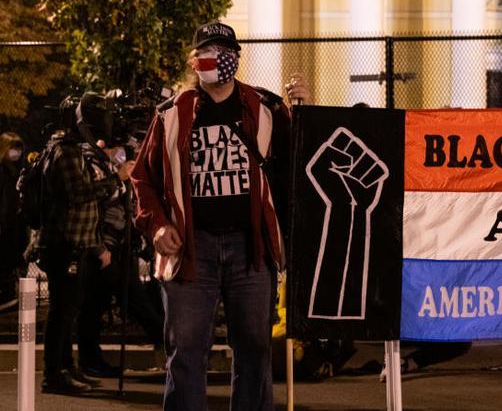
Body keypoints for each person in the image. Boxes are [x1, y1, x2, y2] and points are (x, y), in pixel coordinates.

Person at [131, 22, 310, 410]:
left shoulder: (265, 109)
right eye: (209, 51)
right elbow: (142, 179)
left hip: (252, 248)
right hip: (192, 252)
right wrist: (157, 225)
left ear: (236, 59)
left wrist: (305, 111)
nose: (218, 59)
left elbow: (303, 163)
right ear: (195, 61)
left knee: (255, 349)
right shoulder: (170, 115)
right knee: (187, 352)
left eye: (226, 51)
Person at [38, 94, 120, 394]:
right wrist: (116, 180)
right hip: (65, 243)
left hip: (75, 242)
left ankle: (66, 368)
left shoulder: (67, 149)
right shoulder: (66, 153)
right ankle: (54, 374)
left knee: (68, 309)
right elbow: (80, 193)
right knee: (62, 311)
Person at [76, 139, 164, 378]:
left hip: (120, 245)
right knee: (101, 305)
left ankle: (89, 360)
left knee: (115, 301)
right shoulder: (90, 160)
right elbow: (91, 203)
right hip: (104, 246)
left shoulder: (109, 163)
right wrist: (120, 177)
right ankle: (169, 344)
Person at [0, 132, 27, 311]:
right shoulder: (3, 171)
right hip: (5, 225)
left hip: (15, 225)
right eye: (13, 147)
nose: (16, 152)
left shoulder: (18, 171)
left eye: (18, 148)